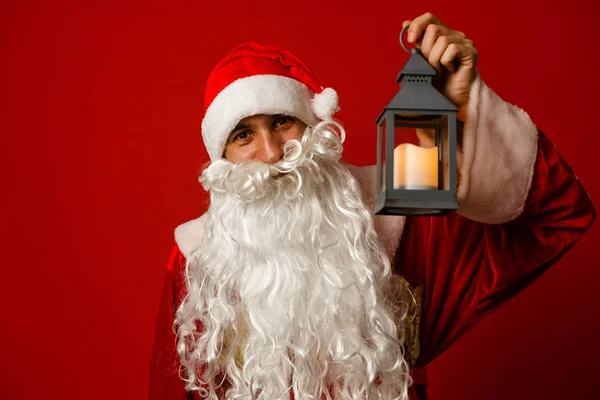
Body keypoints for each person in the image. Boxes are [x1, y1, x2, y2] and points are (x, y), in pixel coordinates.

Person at [147, 12, 595, 400]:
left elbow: (555, 212)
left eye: (283, 122)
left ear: (315, 128)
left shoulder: (396, 220)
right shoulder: (197, 262)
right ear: (221, 157)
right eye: (243, 135)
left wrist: (465, 109)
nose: (271, 153)